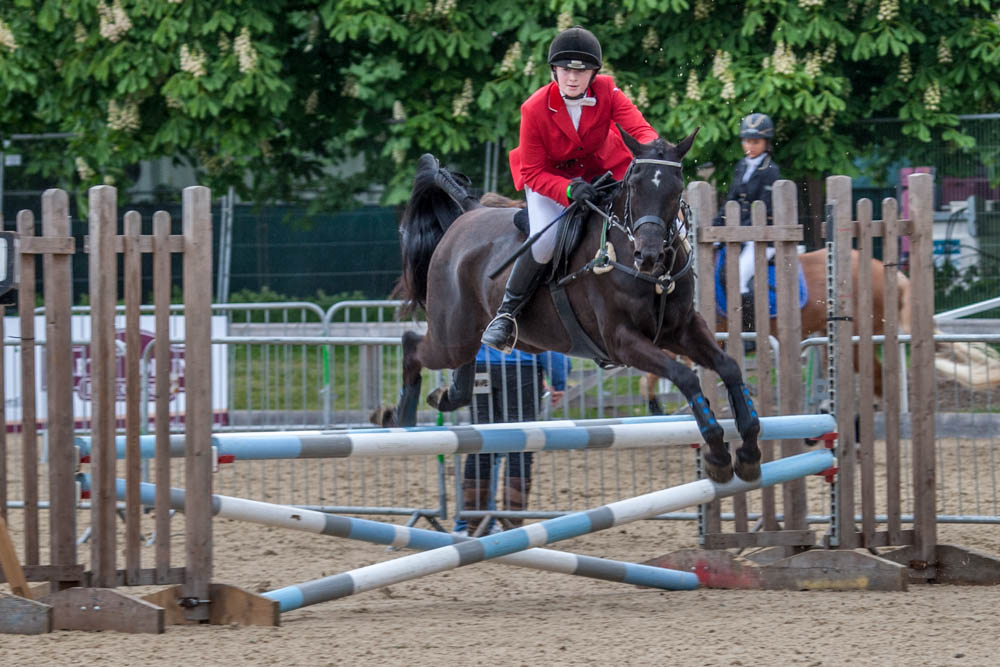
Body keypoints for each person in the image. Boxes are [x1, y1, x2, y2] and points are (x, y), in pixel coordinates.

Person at [481, 25, 660, 353]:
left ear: (594, 73)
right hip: (549, 180)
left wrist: (659, 153)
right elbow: (533, 171)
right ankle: (507, 313)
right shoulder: (534, 109)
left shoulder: (608, 91)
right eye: (565, 70)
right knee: (546, 243)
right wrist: (566, 191)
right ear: (554, 70)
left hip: (599, 172)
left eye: (582, 71)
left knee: (635, 215)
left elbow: (640, 129)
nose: (572, 78)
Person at [453, 347, 568, 537]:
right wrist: (559, 380)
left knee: (480, 444)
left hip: (477, 366)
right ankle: (512, 528)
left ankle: (473, 527)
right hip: (521, 366)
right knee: (521, 447)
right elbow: (545, 337)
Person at [711, 112, 781, 339]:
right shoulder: (742, 166)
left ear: (766, 143)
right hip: (739, 235)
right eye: (746, 141)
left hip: (762, 236)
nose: (749, 146)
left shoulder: (771, 170)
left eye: (755, 142)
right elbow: (731, 201)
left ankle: (749, 332)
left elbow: (766, 208)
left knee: (739, 277)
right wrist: (716, 227)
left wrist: (739, 232)